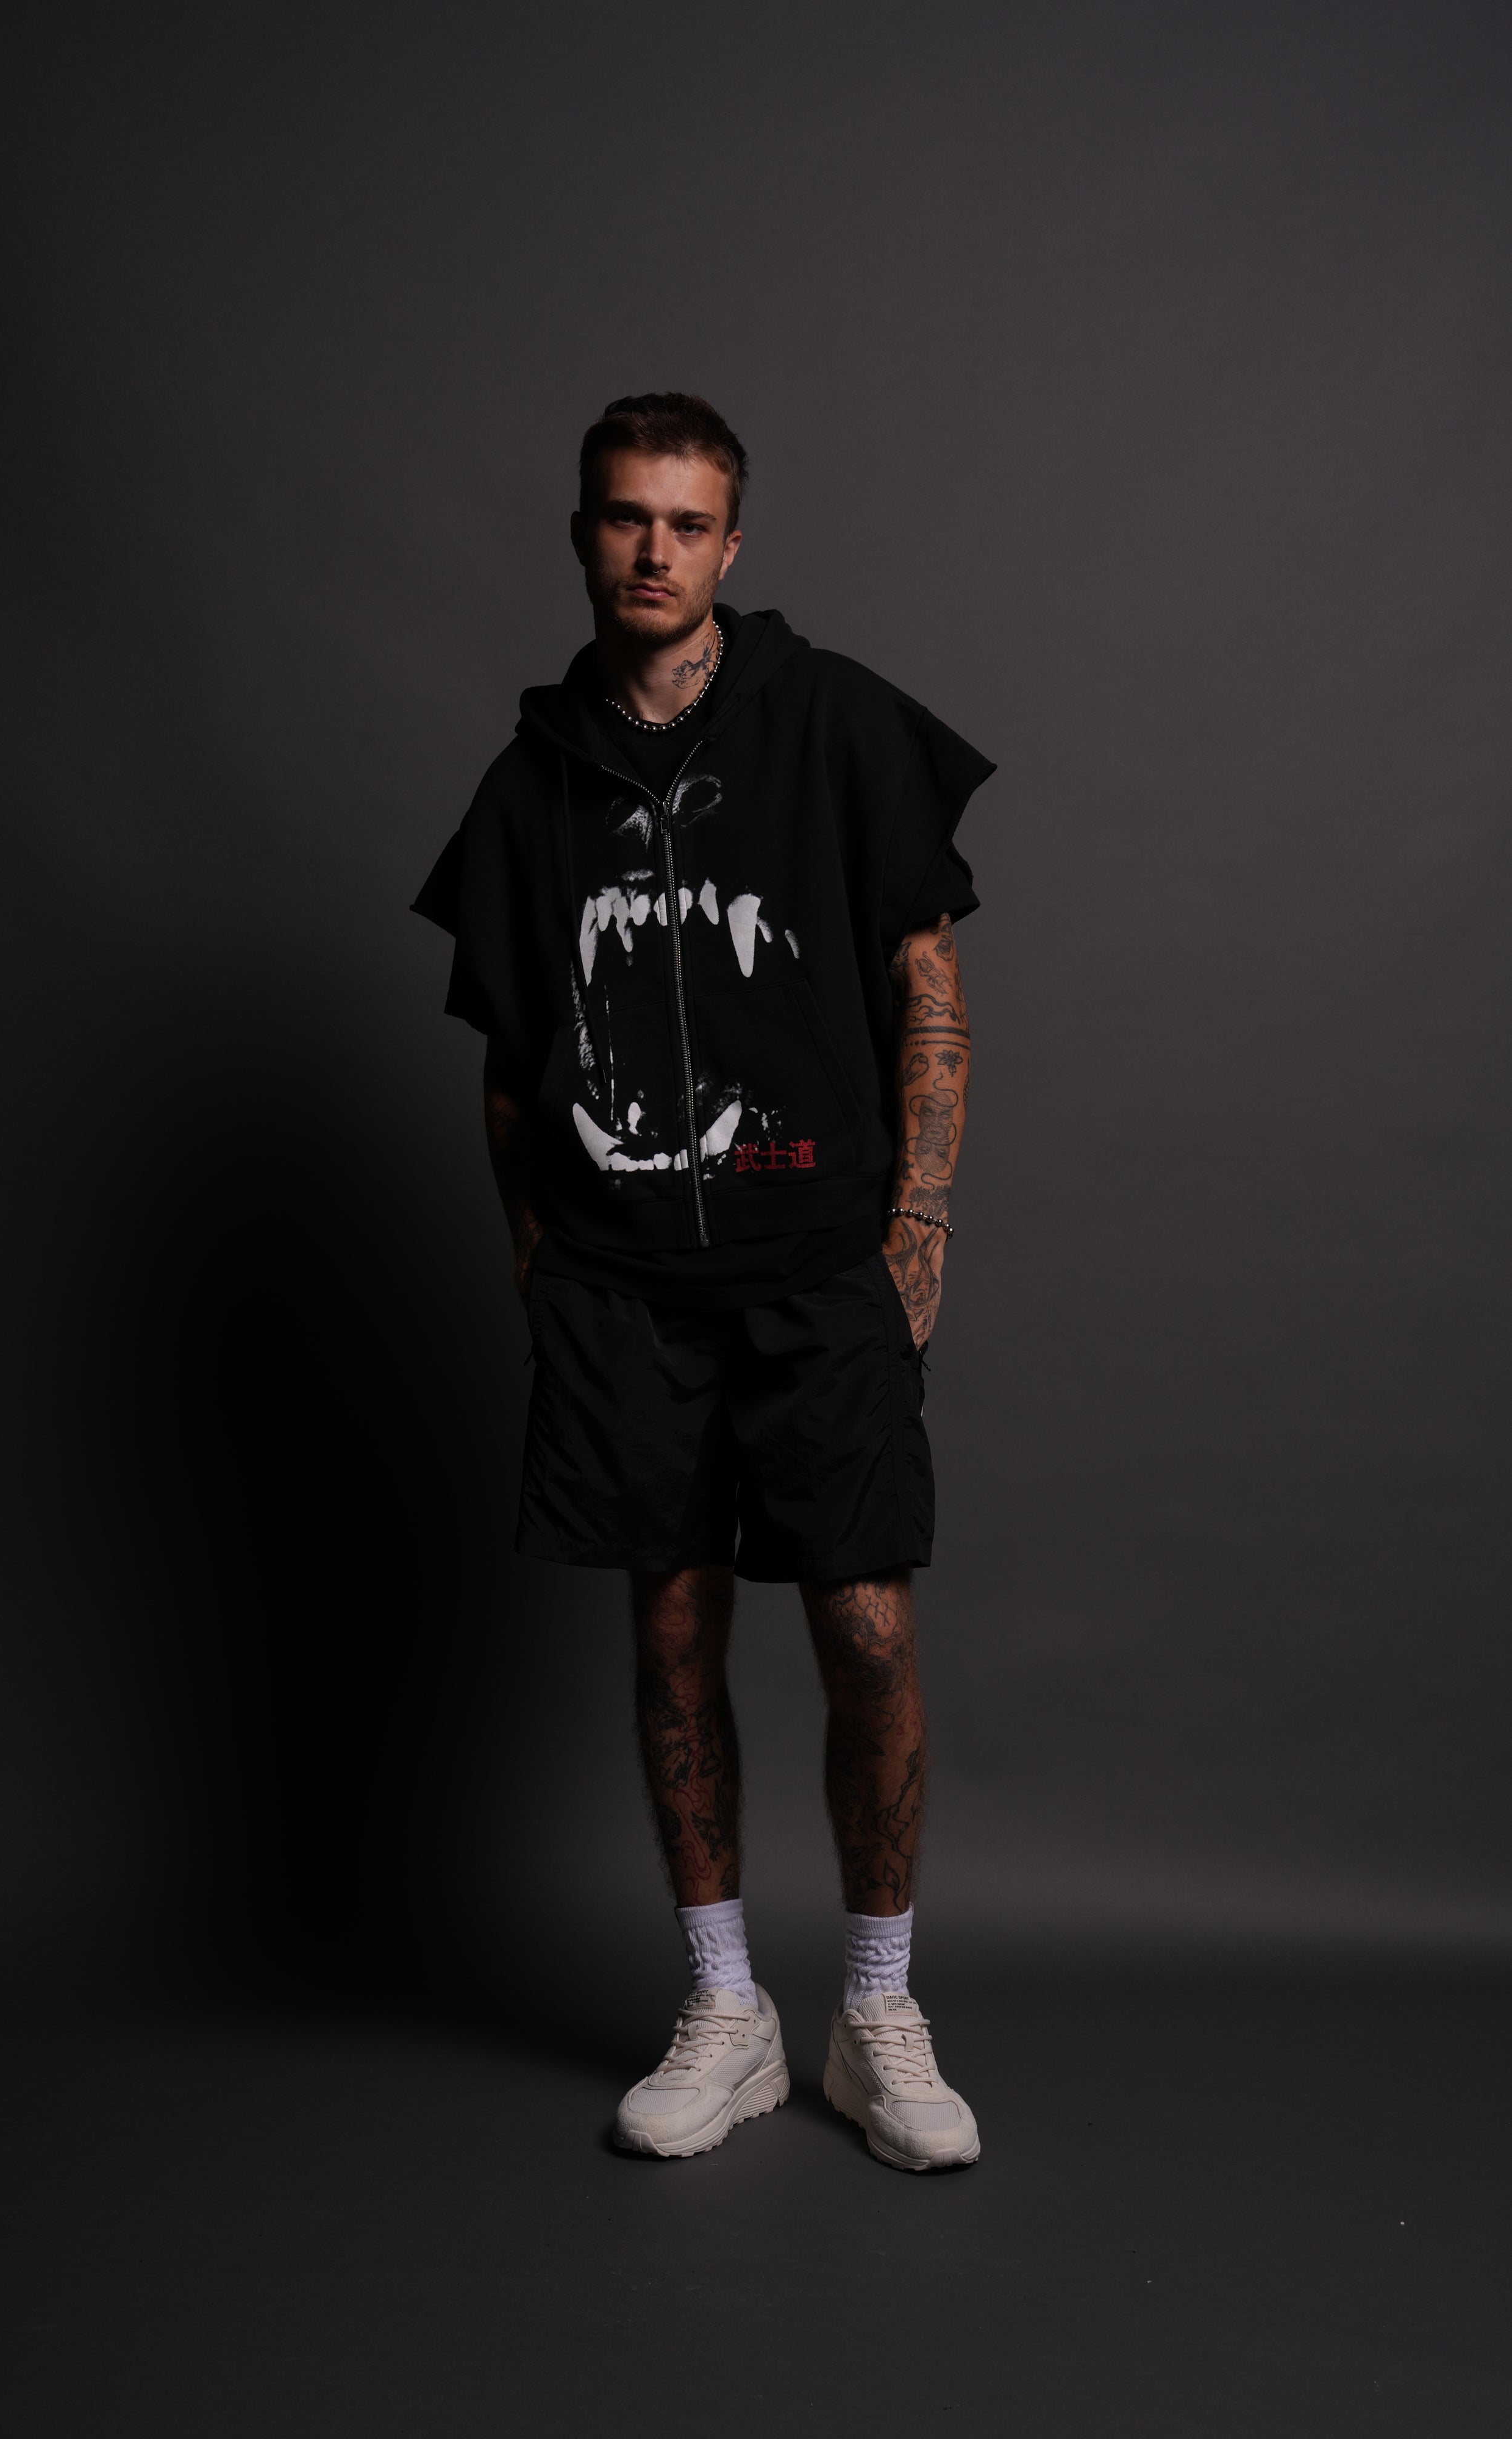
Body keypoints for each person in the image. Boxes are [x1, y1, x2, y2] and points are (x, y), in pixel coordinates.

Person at [415, 393, 996, 2172]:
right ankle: (725, 2011)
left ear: (732, 545)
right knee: (671, 1629)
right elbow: (508, 1056)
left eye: (685, 523)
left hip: (817, 1263)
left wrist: (920, 1221)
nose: (653, 550)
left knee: (865, 1628)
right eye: (623, 517)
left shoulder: (836, 724)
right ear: (582, 536)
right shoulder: (530, 784)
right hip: (621, 1283)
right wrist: (539, 1255)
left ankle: (877, 2012)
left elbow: (926, 983)